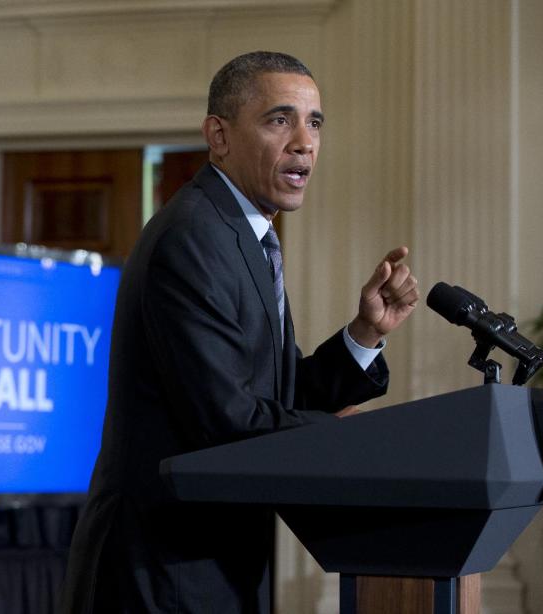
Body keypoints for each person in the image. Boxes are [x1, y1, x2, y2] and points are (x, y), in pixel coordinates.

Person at [61, 51, 419, 613]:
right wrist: (346, 438)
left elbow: (274, 399)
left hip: (217, 562)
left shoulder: (241, 236)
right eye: (280, 120)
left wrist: (364, 334)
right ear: (219, 135)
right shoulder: (192, 239)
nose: (305, 141)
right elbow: (226, 422)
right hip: (160, 572)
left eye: (315, 122)